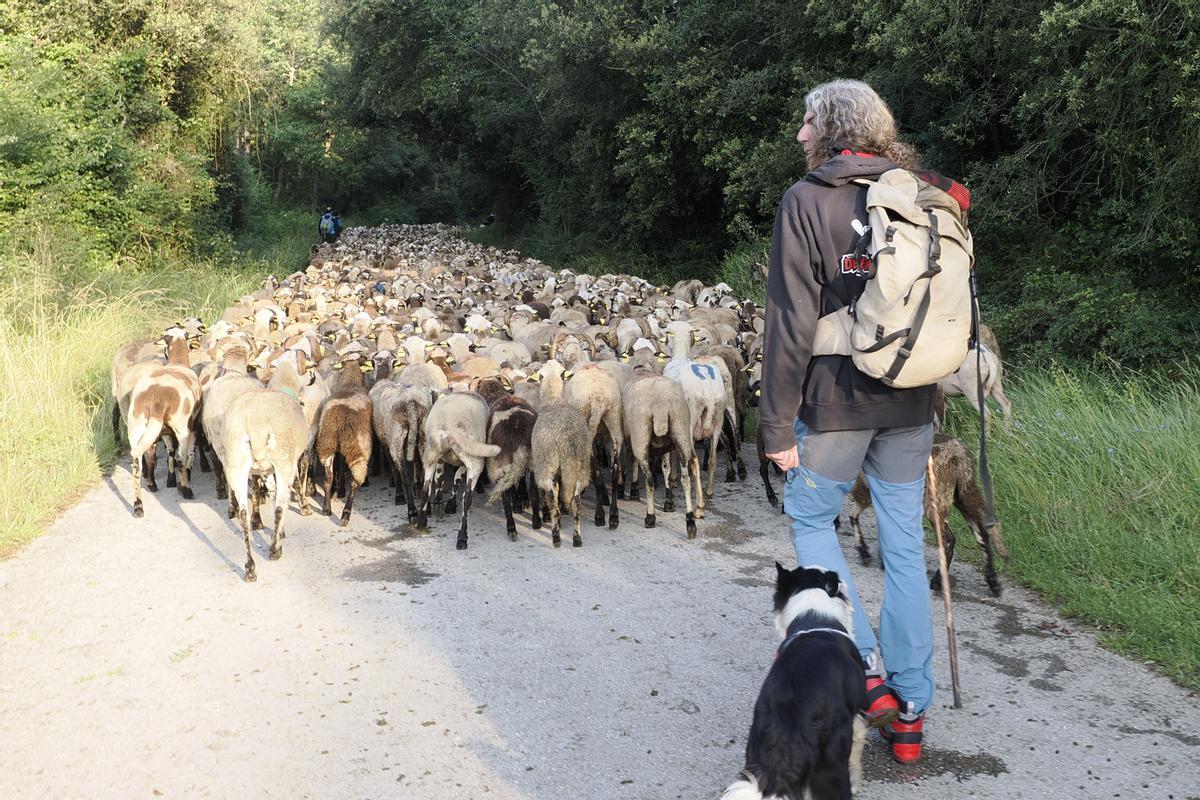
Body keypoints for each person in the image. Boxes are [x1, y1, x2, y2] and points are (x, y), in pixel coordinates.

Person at [758, 79, 970, 765]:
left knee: (812, 519)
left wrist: (775, 426)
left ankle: (867, 672)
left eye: (807, 121)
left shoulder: (807, 199)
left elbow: (790, 321)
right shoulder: (922, 194)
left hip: (837, 403)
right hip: (911, 400)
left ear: (832, 127)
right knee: (904, 545)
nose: (799, 134)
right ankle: (910, 715)